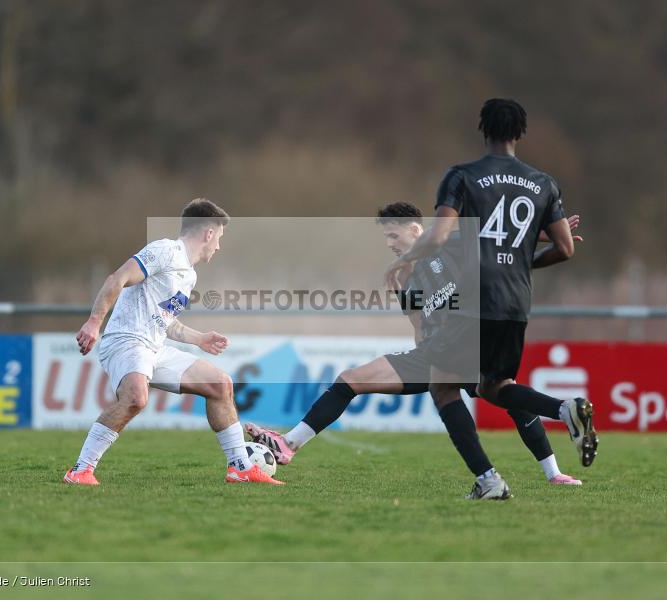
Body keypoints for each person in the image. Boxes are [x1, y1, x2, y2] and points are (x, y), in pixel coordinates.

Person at [246, 202, 584, 486]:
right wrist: (422, 347)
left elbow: (503, 240)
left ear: (415, 229)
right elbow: (417, 323)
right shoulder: (403, 276)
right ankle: (288, 444)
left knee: (509, 397)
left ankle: (552, 471)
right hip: (435, 350)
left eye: (393, 234)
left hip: (471, 339)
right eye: (385, 237)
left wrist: (547, 234)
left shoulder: (452, 243)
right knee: (350, 380)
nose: (389, 243)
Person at [385, 98, 599, 500]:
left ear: (483, 129)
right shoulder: (544, 183)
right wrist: (520, 264)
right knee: (495, 386)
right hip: (516, 302)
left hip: (474, 299)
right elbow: (566, 248)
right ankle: (563, 409)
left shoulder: (462, 176)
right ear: (520, 133)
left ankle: (488, 481)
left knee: (444, 387)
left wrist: (402, 263)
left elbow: (438, 236)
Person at [64, 198, 282, 486]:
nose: (219, 246)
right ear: (208, 234)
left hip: (154, 348)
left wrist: (199, 339)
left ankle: (240, 467)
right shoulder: (164, 251)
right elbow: (116, 279)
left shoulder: (188, 275)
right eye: (219, 237)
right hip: (127, 341)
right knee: (135, 398)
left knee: (220, 384)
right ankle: (81, 470)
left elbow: (166, 322)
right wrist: (94, 322)